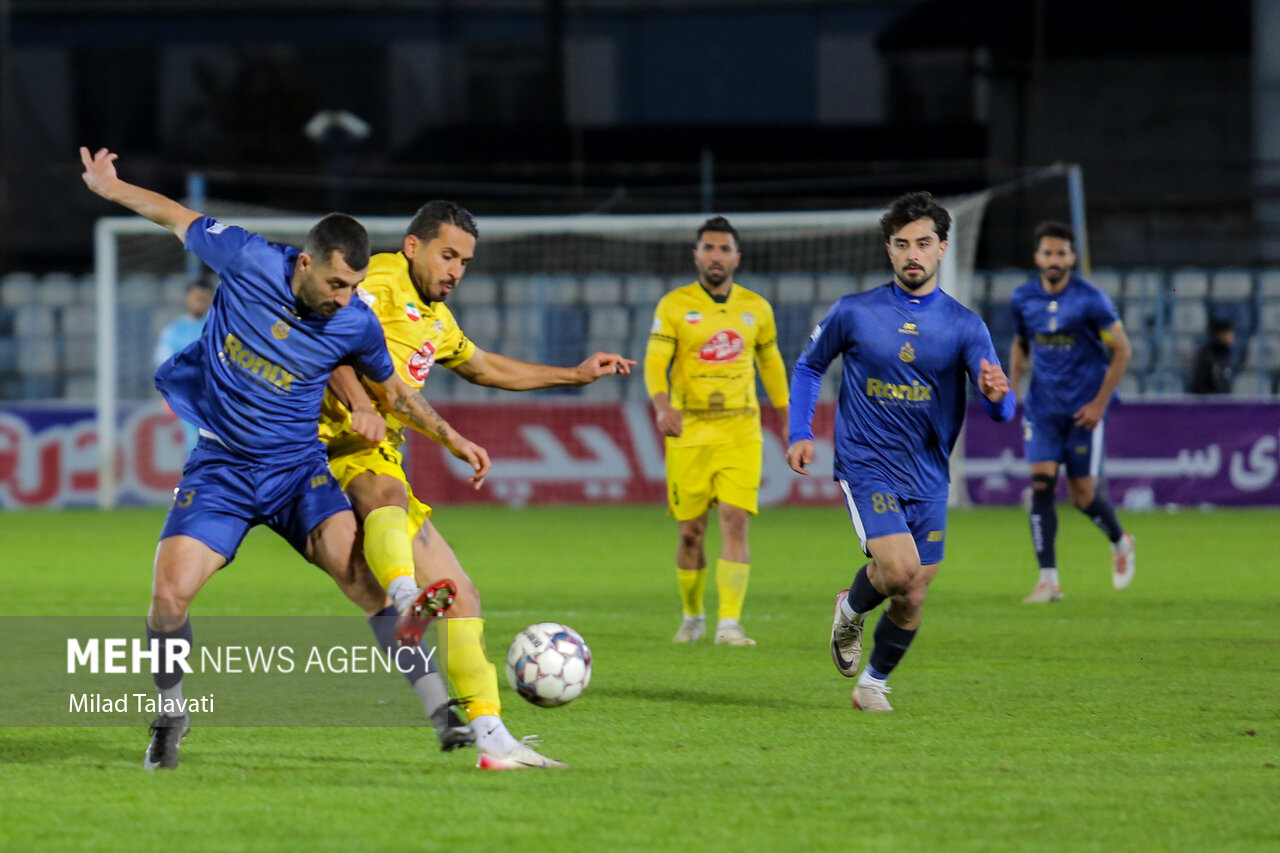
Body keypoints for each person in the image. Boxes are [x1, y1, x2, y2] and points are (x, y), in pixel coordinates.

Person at [79, 147, 491, 770]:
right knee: (168, 597)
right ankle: (171, 713)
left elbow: (394, 390)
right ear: (304, 262)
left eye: (354, 286)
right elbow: (174, 215)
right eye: (335, 284)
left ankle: (442, 716)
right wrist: (112, 190)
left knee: (367, 587)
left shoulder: (355, 321)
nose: (344, 298)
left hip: (298, 471)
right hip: (221, 468)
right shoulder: (246, 258)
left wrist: (449, 436)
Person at [321, 199, 635, 770]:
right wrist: (381, 410)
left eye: (465, 261)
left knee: (463, 594)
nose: (456, 271)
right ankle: (402, 599)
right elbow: (329, 340)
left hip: (378, 450)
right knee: (384, 490)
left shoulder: (437, 323)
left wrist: (575, 374)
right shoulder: (381, 278)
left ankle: (491, 738)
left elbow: (485, 367)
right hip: (325, 442)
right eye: (448, 255)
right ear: (413, 247)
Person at [786, 191, 1015, 712]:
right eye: (902, 243)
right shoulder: (854, 312)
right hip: (867, 462)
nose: (913, 252)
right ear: (889, 250)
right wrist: (801, 431)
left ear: (942, 249)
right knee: (899, 569)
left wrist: (999, 396)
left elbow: (1001, 405)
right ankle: (850, 613)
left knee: (912, 592)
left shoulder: (964, 325)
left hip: (929, 473)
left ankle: (872, 684)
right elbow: (807, 367)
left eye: (924, 243)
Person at [643, 215, 789, 648]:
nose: (716, 255)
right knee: (690, 531)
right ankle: (693, 616)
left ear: (737, 257)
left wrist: (790, 420)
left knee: (736, 521)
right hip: (689, 429)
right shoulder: (674, 305)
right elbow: (654, 362)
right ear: (696, 255)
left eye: (724, 248)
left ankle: (730, 623)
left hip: (741, 428)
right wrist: (662, 406)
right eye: (708, 248)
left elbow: (772, 365)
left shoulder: (757, 308)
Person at [1008, 221, 1135, 604]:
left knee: (1082, 496)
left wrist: (1099, 404)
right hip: (1042, 409)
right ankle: (1048, 580)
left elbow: (1122, 350)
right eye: (1047, 253)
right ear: (1037, 257)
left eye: (1061, 253)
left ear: (1072, 257)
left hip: (1083, 411)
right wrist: (1012, 384)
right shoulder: (1023, 299)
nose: (1054, 260)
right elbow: (1020, 343)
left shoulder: (1091, 301)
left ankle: (1120, 540)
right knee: (1041, 486)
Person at [153, 275, 215, 456]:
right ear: (188, 298)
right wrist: (165, 395)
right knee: (194, 444)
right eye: (197, 298)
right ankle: (196, 481)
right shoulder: (174, 331)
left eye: (204, 298)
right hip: (188, 395)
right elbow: (164, 366)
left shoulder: (217, 326)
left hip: (217, 394)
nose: (201, 302)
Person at [1189, 318, 1235, 394]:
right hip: (1209, 403)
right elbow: (1198, 385)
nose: (1232, 336)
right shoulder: (1206, 355)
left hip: (1223, 402)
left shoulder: (1226, 354)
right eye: (1229, 332)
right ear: (1220, 334)